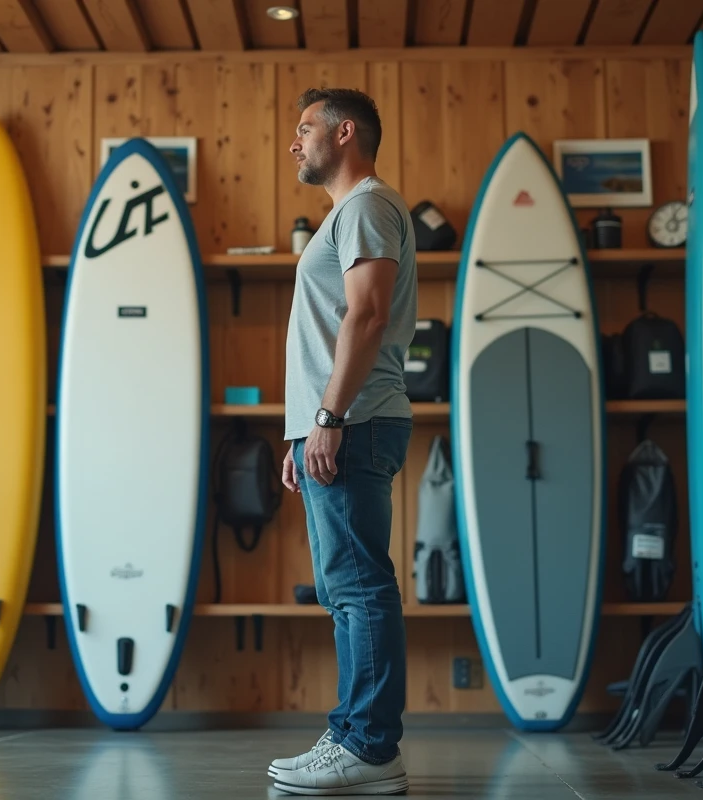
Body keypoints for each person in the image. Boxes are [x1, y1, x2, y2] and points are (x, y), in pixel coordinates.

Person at [268, 87, 417, 796]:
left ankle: (369, 746)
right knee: (347, 589)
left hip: (352, 423)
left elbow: (366, 315)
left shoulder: (365, 206)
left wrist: (326, 421)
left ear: (345, 132)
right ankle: (356, 736)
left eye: (305, 129)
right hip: (334, 425)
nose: (294, 143)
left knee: (358, 588)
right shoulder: (348, 215)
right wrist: (302, 431)